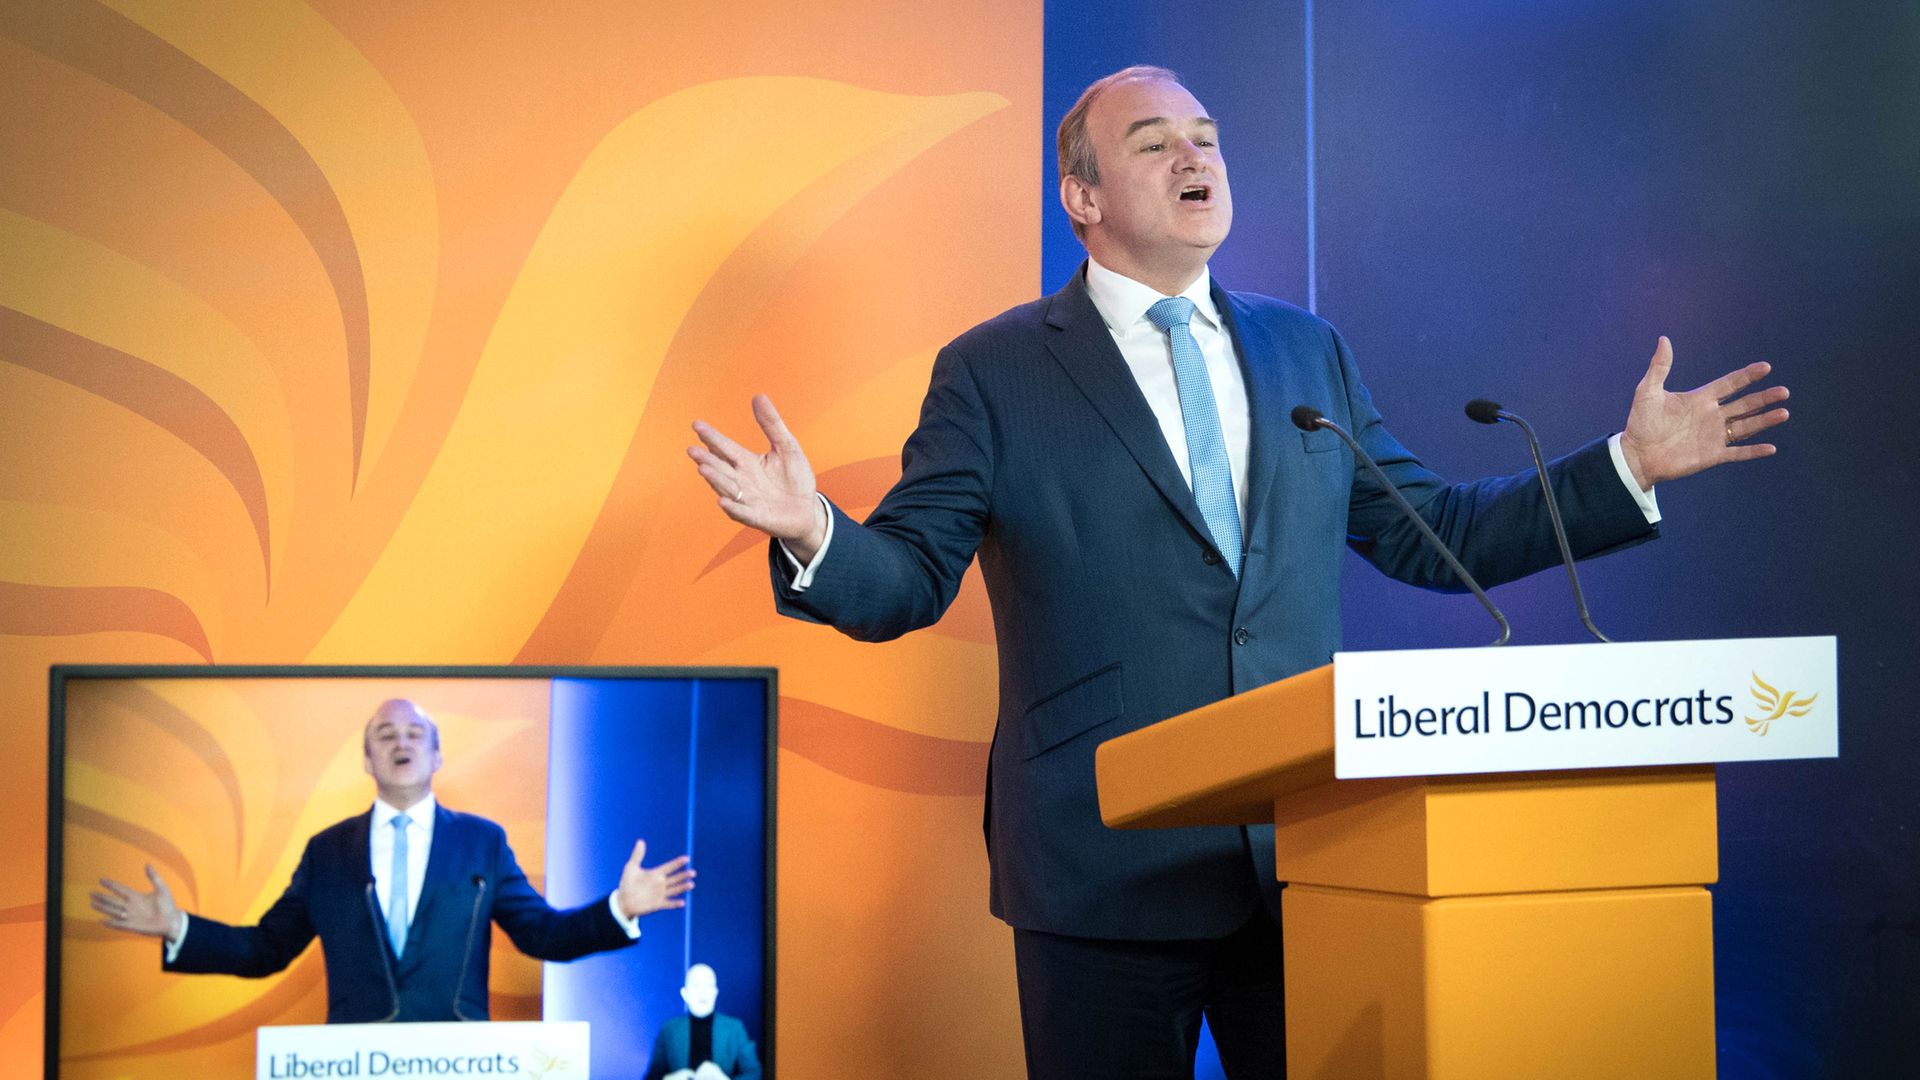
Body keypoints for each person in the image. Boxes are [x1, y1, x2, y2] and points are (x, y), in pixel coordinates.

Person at [686, 65, 1788, 1079]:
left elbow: (1433, 530)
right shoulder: (994, 371)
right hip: (1100, 864)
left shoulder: (1306, 350)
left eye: (1206, 140)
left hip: (1300, 863)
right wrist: (813, 530)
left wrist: (1626, 466)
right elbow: (911, 577)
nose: (1195, 159)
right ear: (1083, 195)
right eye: (1156, 143)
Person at [92, 698, 696, 1023]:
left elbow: (541, 934)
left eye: (414, 734)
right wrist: (179, 928)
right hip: (352, 1066)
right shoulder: (328, 852)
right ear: (367, 761)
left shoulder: (482, 842)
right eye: (385, 734)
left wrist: (620, 908)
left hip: (460, 1065)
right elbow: (265, 950)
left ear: (436, 756)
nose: (400, 742)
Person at [644, 962, 762, 1080]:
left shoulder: (735, 1028)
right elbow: (651, 1076)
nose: (703, 992)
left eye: (709, 985)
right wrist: (670, 1079)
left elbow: (755, 1074)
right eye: (696, 985)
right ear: (685, 994)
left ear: (715, 992)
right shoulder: (669, 1029)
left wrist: (722, 1079)